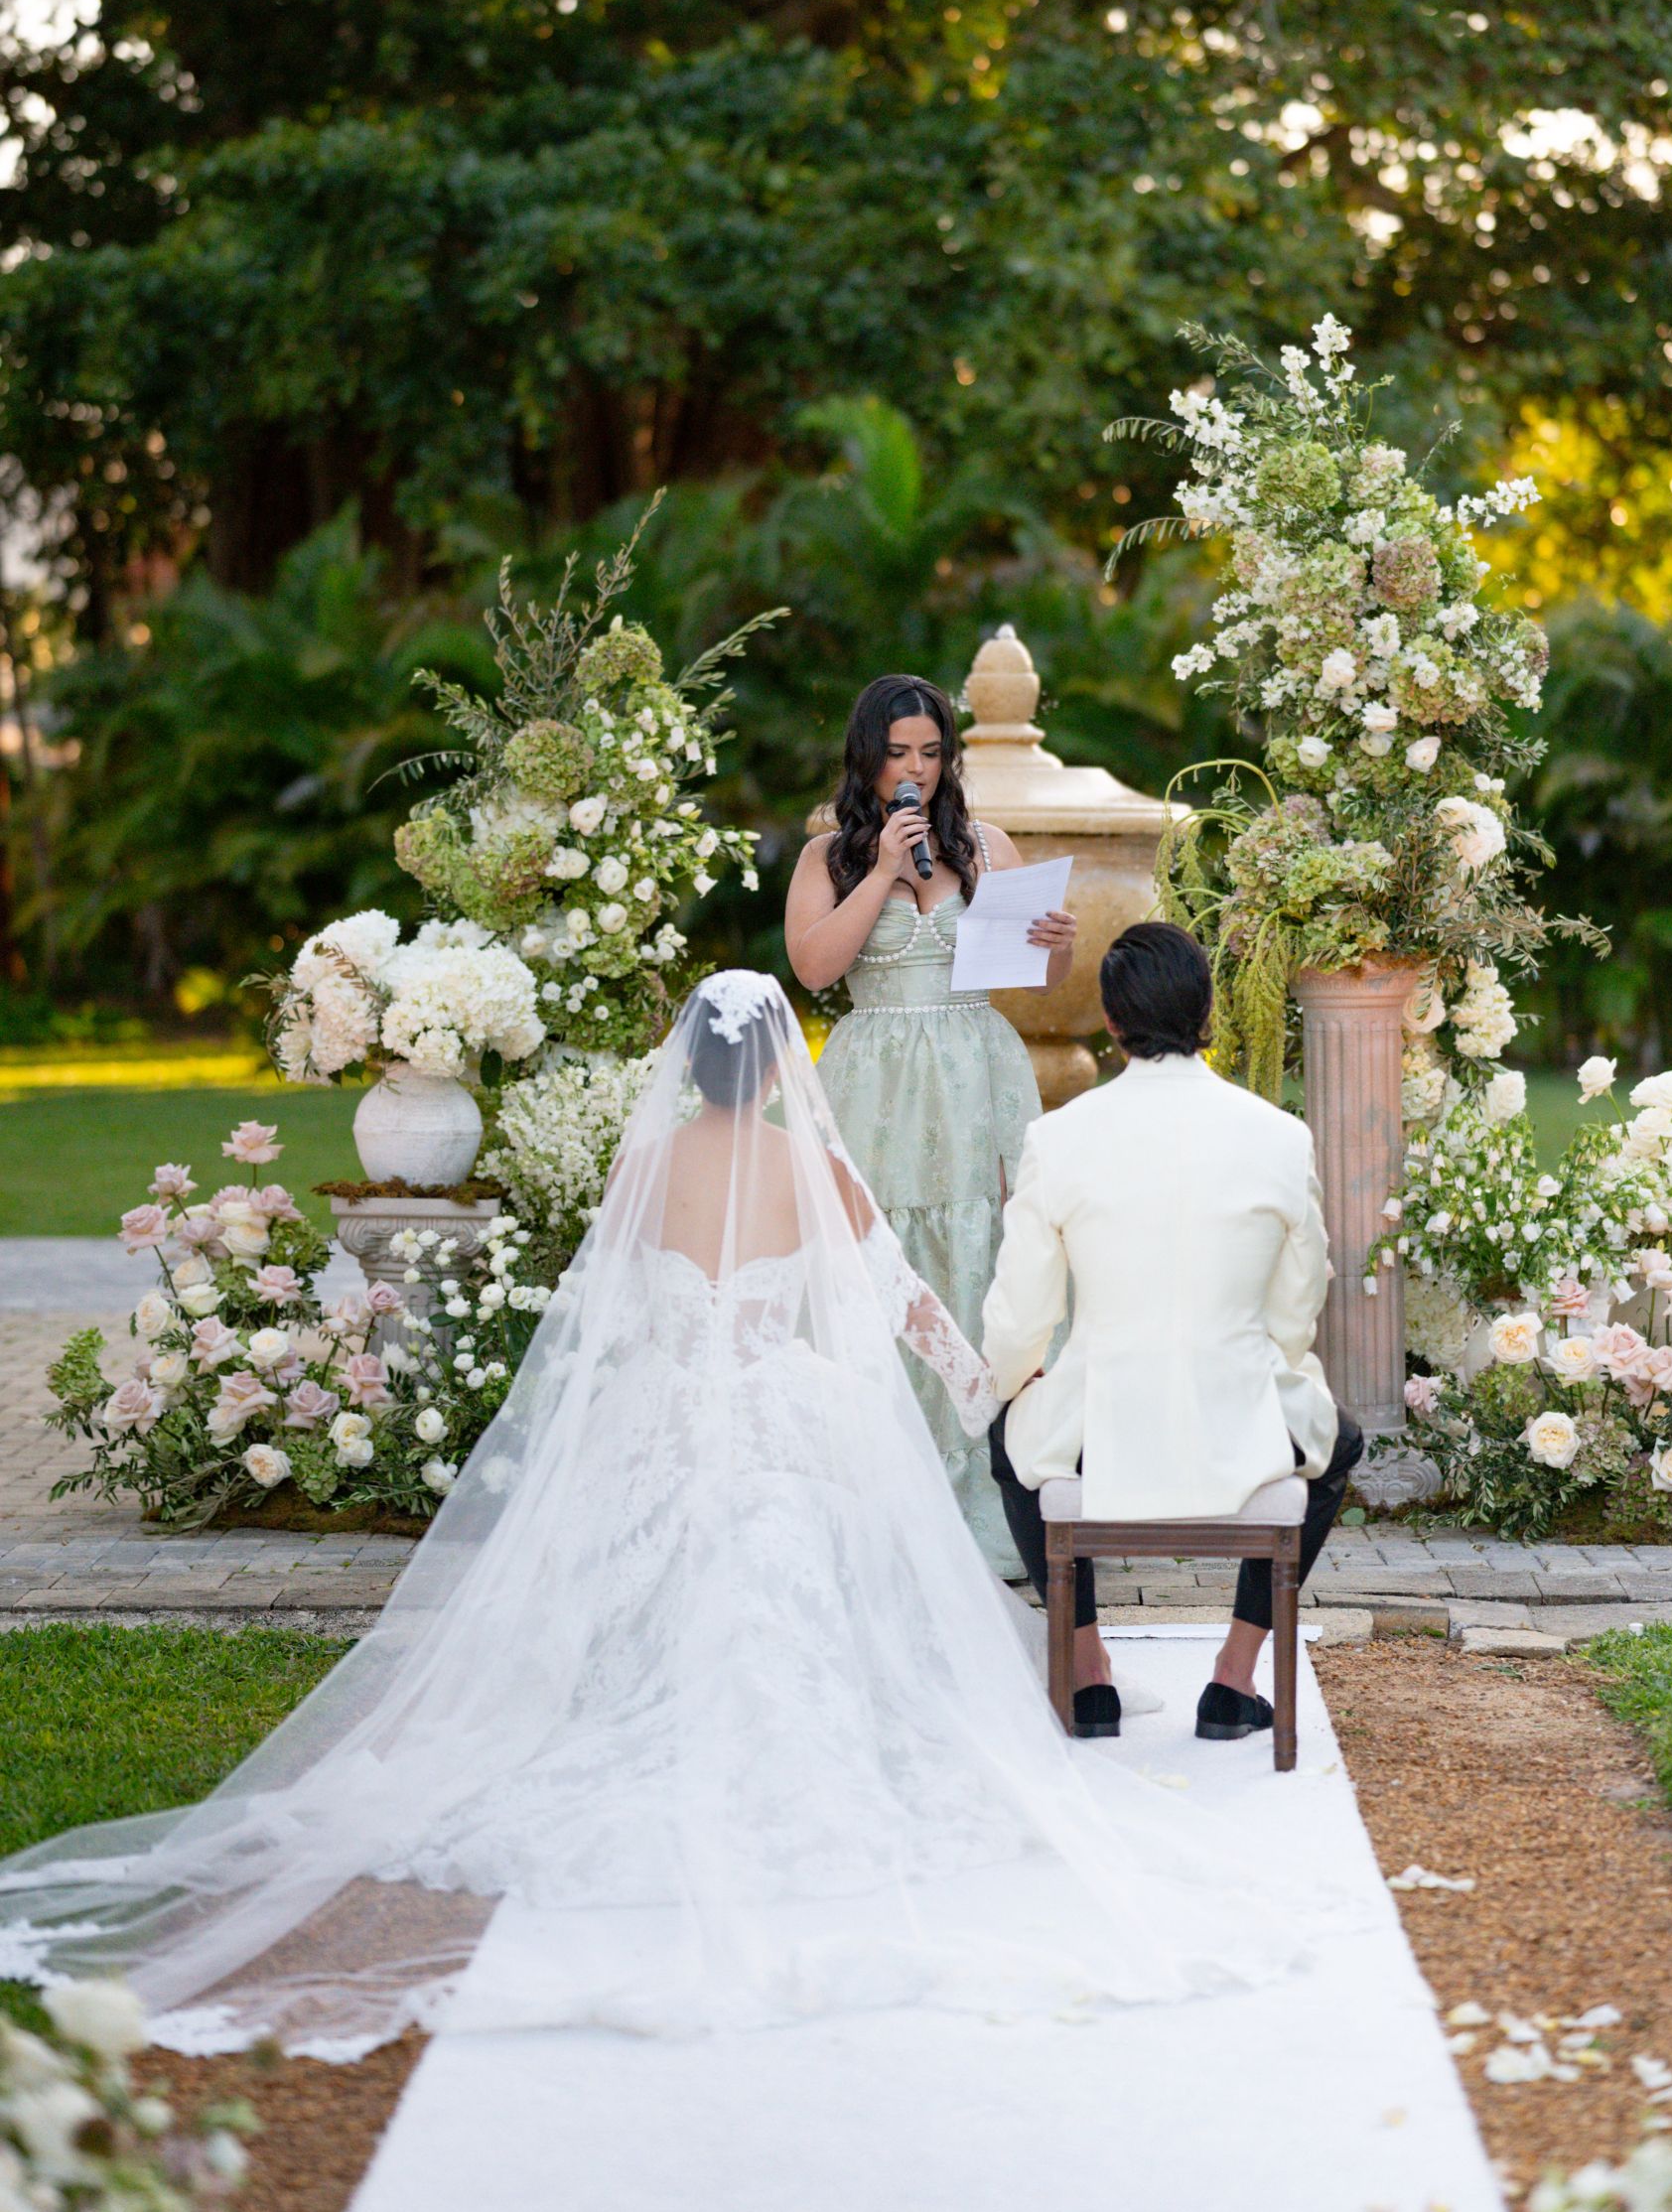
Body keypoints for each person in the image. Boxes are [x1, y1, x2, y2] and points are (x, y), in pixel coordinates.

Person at [0, 974, 1319, 2056]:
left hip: (667, 1413)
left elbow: (599, 1327)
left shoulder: (652, 1161)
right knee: (811, 1576)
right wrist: (990, 1388)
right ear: (782, 1070)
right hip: (790, 1418)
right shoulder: (812, 1167)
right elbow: (900, 1300)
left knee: (642, 1578)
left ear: (691, 1068)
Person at [981, 922, 1365, 1739]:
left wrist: (1020, 1381)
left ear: (1113, 1024)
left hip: (1102, 1419)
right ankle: (1233, 1678)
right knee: (1342, 1442)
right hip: (1239, 1418)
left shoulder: (1059, 1137)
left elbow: (1020, 1322)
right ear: (1207, 1011)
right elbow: (1295, 1318)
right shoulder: (1280, 1135)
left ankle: (1088, 1679)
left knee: (1007, 1437)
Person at [785, 672, 1075, 1574]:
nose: (915, 768)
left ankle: (990, 1504)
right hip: (875, 1077)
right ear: (867, 759)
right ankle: (880, 1499)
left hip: (972, 1069)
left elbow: (1043, 981)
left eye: (931, 751)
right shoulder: (826, 855)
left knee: (982, 1258)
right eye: (898, 753)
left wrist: (1055, 947)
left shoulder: (985, 845)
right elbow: (813, 969)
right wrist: (878, 873)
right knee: (881, 1263)